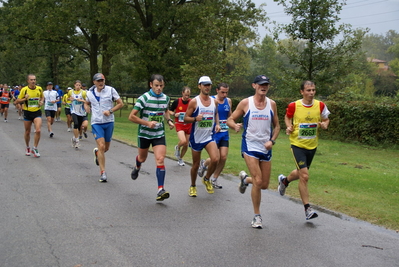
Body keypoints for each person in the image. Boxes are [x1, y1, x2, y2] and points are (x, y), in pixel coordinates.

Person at [227, 75, 280, 229]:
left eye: (266, 85)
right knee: (258, 180)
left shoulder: (272, 104)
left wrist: (272, 141)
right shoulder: (246, 103)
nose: (264, 87)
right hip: (250, 145)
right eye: (261, 84)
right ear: (254, 86)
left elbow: (277, 126)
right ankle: (257, 216)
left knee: (263, 184)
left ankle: (245, 180)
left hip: (265, 147)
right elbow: (230, 119)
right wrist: (234, 126)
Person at [277, 80, 330, 220]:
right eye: (308, 90)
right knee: (305, 176)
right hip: (297, 145)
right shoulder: (294, 105)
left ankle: (284, 181)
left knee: (301, 173)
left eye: (313, 90)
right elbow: (287, 117)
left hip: (312, 145)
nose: (311, 93)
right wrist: (288, 127)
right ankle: (308, 209)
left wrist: (324, 125)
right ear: (302, 92)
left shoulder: (320, 105)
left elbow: (326, 119)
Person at [129, 74, 175, 201]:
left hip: (158, 134)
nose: (159, 88)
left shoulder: (166, 98)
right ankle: (137, 165)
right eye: (156, 86)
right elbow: (131, 116)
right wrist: (147, 123)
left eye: (161, 86)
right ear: (151, 85)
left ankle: (160, 189)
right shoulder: (144, 98)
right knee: (142, 158)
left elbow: (165, 110)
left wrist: (169, 120)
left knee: (160, 159)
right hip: (144, 134)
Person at [184, 76, 220, 197]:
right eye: (204, 85)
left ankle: (206, 178)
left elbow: (216, 113)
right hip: (196, 137)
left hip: (209, 136)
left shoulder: (214, 101)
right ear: (199, 86)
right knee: (195, 165)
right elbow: (185, 118)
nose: (207, 87)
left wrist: (218, 124)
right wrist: (195, 118)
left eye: (209, 85)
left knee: (215, 159)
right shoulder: (194, 101)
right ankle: (193, 186)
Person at [84, 73, 123, 182]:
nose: (101, 82)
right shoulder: (90, 93)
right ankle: (103, 172)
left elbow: (120, 103)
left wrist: (110, 111)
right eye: (98, 81)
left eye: (102, 80)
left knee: (106, 148)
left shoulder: (111, 90)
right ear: (94, 82)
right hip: (96, 122)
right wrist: (86, 107)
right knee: (101, 146)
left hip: (109, 121)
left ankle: (97, 153)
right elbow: (86, 103)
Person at [197, 83, 232, 189]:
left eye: (226, 92)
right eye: (222, 92)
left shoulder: (228, 101)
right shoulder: (211, 100)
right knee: (215, 157)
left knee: (224, 157)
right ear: (217, 90)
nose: (224, 94)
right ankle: (204, 164)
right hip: (214, 133)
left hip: (224, 133)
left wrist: (234, 124)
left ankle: (214, 179)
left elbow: (230, 116)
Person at [14, 74, 44, 157]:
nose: (33, 81)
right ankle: (27, 147)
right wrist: (25, 99)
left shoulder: (39, 88)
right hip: (27, 112)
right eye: (31, 80)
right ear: (28, 81)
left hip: (37, 112)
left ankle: (35, 148)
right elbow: (17, 101)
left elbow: (42, 97)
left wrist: (41, 102)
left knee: (38, 130)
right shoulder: (24, 90)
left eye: (34, 79)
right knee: (27, 132)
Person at [168, 86, 192, 166]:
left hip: (188, 124)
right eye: (185, 95)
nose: (187, 97)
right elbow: (169, 111)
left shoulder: (191, 102)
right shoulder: (177, 101)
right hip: (179, 124)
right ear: (182, 93)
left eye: (188, 95)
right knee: (183, 141)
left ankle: (180, 159)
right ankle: (177, 147)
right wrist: (175, 114)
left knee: (186, 144)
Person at [68, 80, 88, 148]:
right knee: (76, 124)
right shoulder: (71, 92)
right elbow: (68, 98)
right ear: (74, 85)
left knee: (80, 127)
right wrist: (70, 99)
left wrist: (81, 100)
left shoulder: (83, 93)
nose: (78, 86)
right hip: (73, 110)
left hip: (81, 112)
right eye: (77, 85)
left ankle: (74, 137)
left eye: (79, 85)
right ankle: (77, 141)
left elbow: (87, 101)